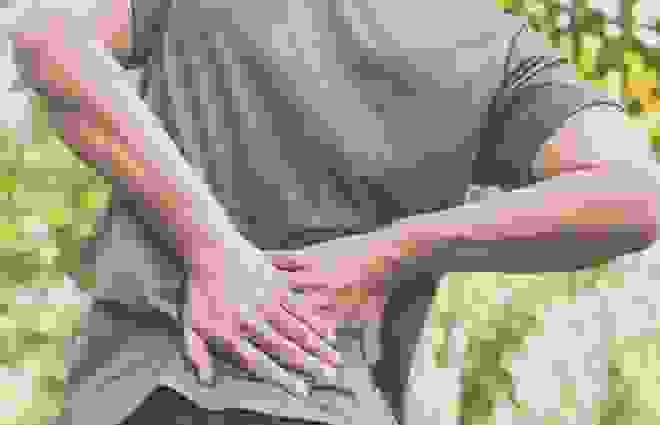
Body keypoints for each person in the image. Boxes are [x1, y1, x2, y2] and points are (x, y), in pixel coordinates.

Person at [6, 0, 658, 425]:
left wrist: (212, 249)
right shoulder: (496, 46)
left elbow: (49, 37)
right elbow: (631, 191)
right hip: (330, 398)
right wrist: (388, 254)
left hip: (147, 388)